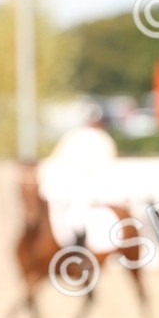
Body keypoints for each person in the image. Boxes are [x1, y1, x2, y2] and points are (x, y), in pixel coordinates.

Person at [38, 103, 119, 252]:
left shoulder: (77, 136)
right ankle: (77, 252)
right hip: (75, 188)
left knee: (75, 217)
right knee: (74, 218)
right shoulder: (93, 138)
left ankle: (79, 252)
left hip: (77, 189)